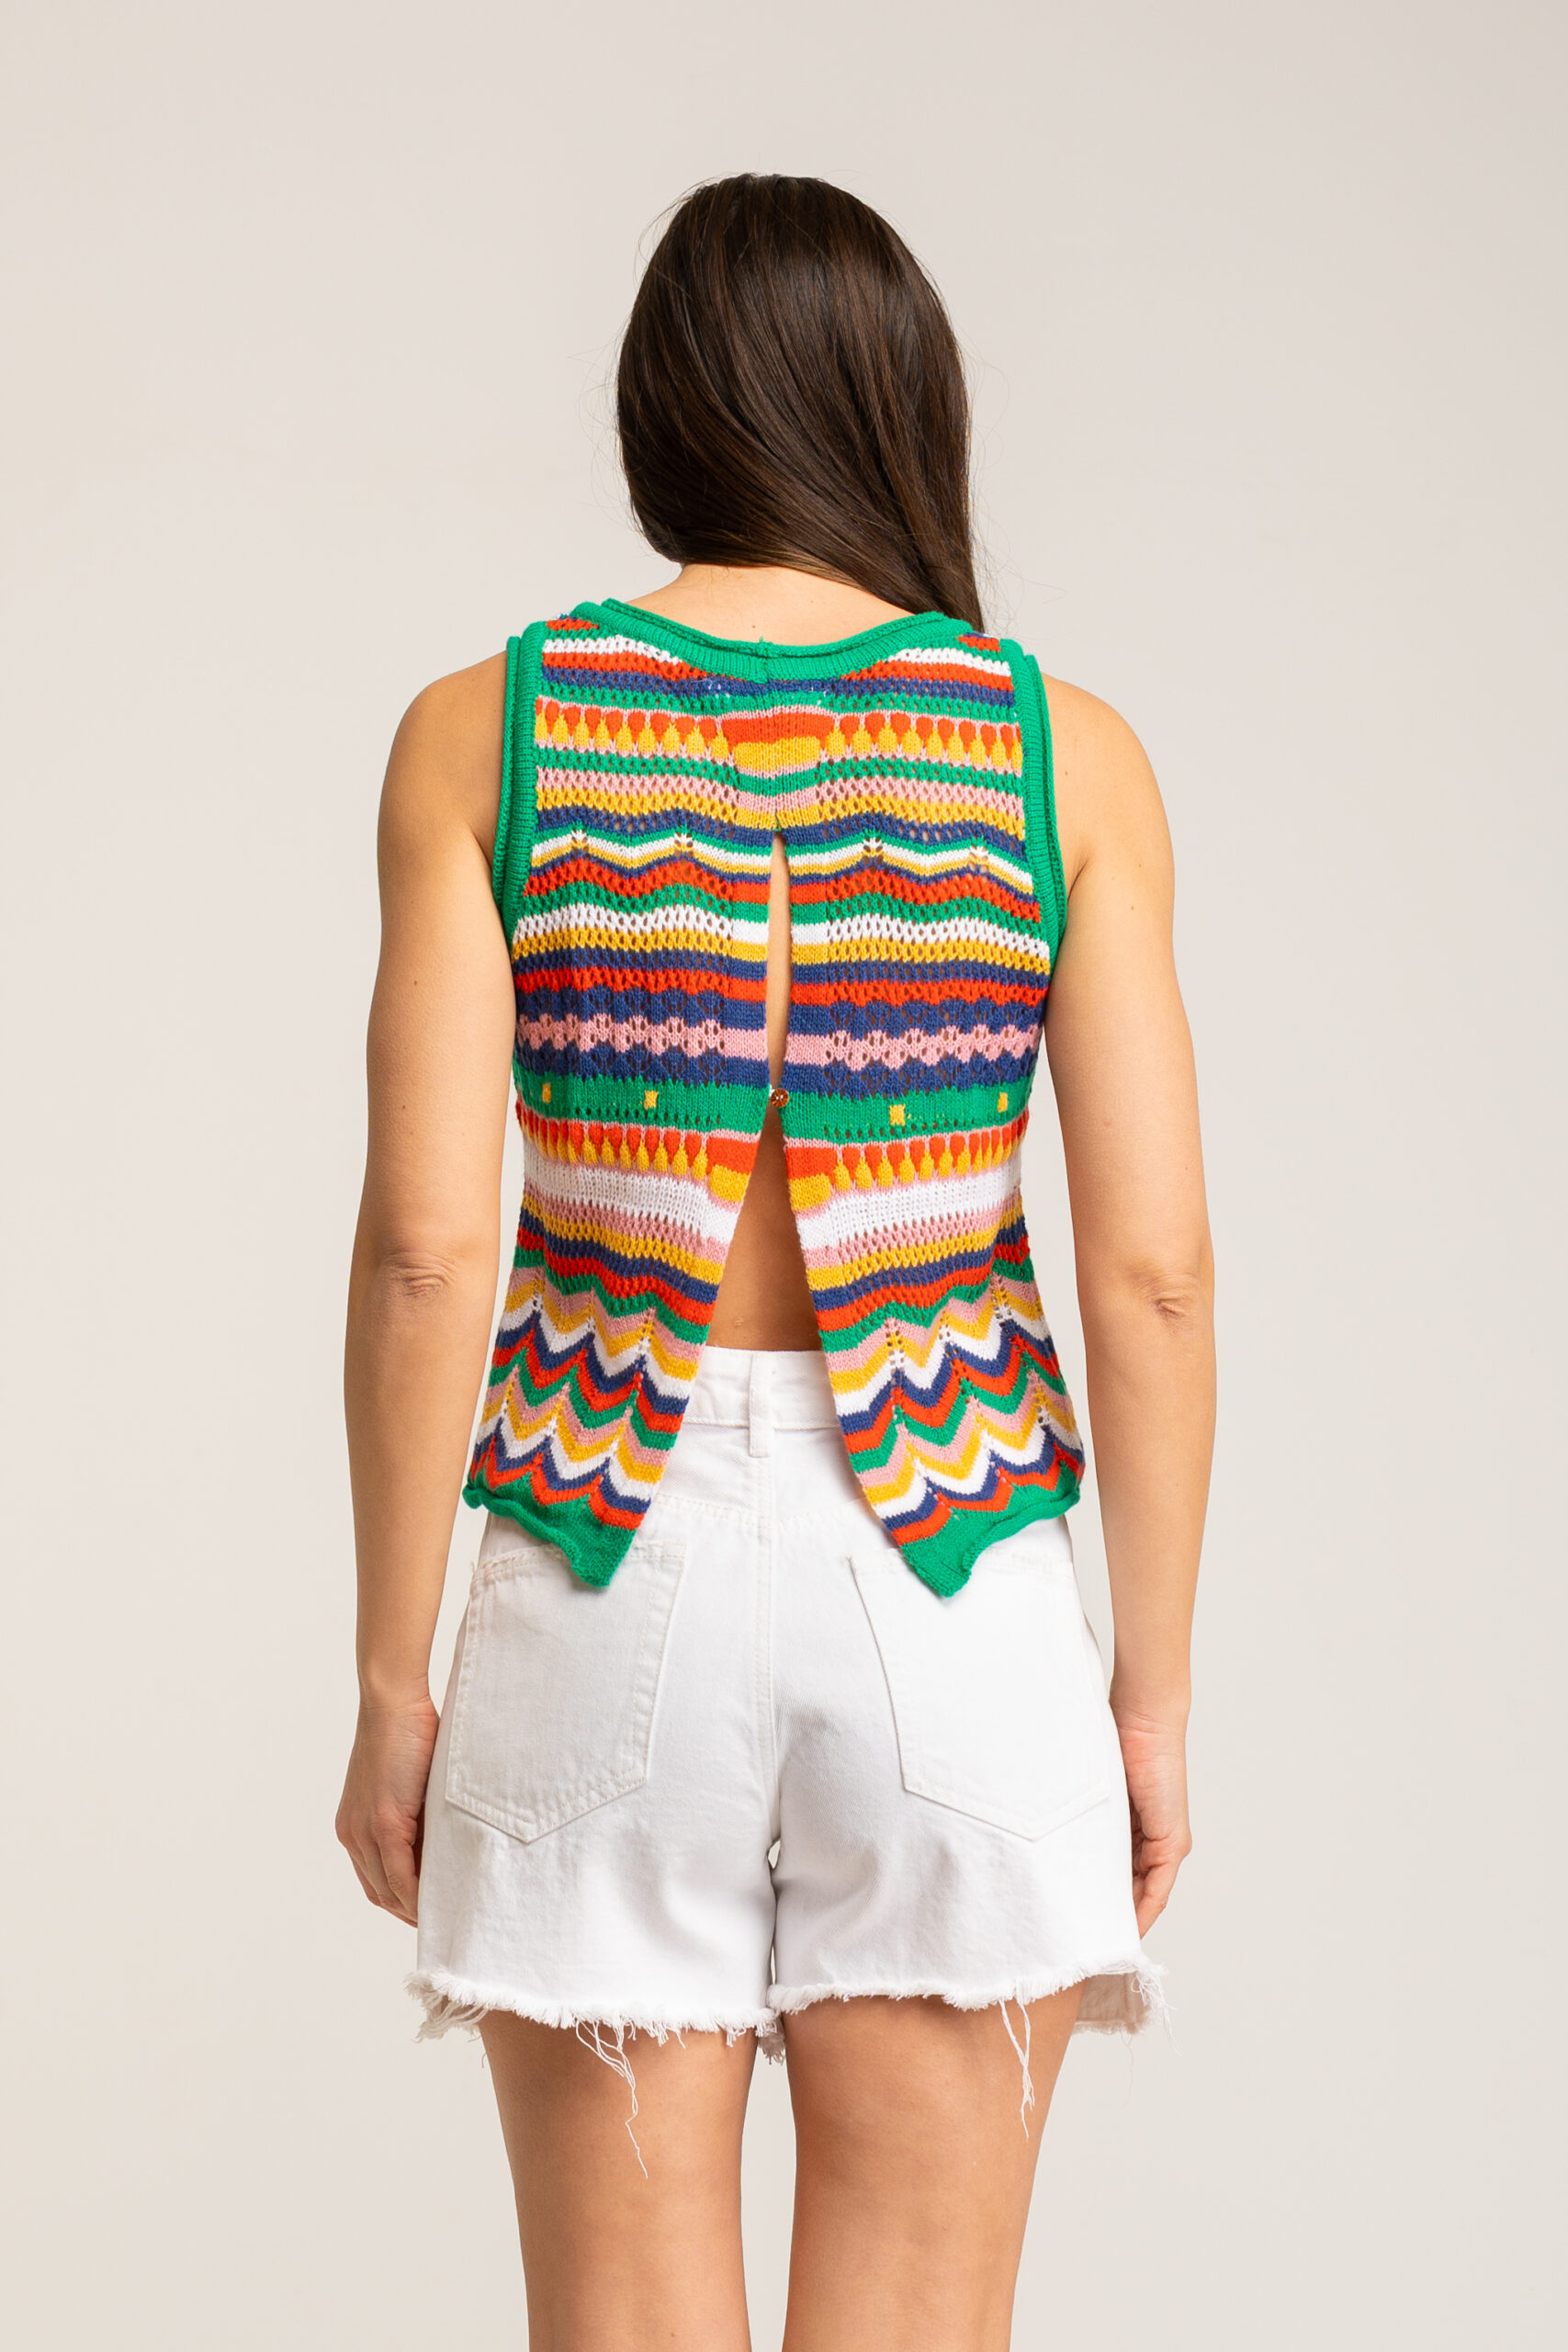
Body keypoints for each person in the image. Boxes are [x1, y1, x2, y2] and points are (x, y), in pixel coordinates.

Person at [336, 173, 1213, 2352]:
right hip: (948, 1553)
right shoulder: (1057, 753)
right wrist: (1150, 1693)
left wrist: (388, 1675)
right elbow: (1150, 1274)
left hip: (595, 1546)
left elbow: (431, 1248)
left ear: (661, 415)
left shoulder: (484, 730)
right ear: (903, 409)